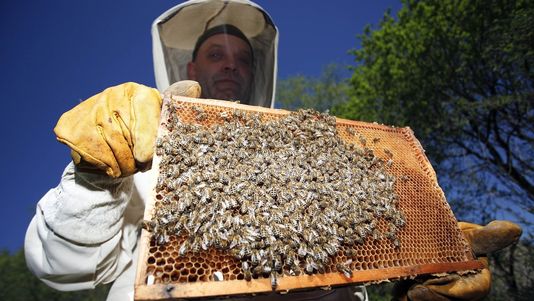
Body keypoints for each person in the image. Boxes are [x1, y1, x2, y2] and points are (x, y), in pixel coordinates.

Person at [24, 1, 521, 301]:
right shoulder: (139, 155)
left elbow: (349, 280)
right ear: (190, 66)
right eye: (215, 54)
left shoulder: (317, 161)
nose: (230, 66)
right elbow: (59, 268)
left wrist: (421, 252)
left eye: (242, 59)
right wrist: (94, 178)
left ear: (255, 72)